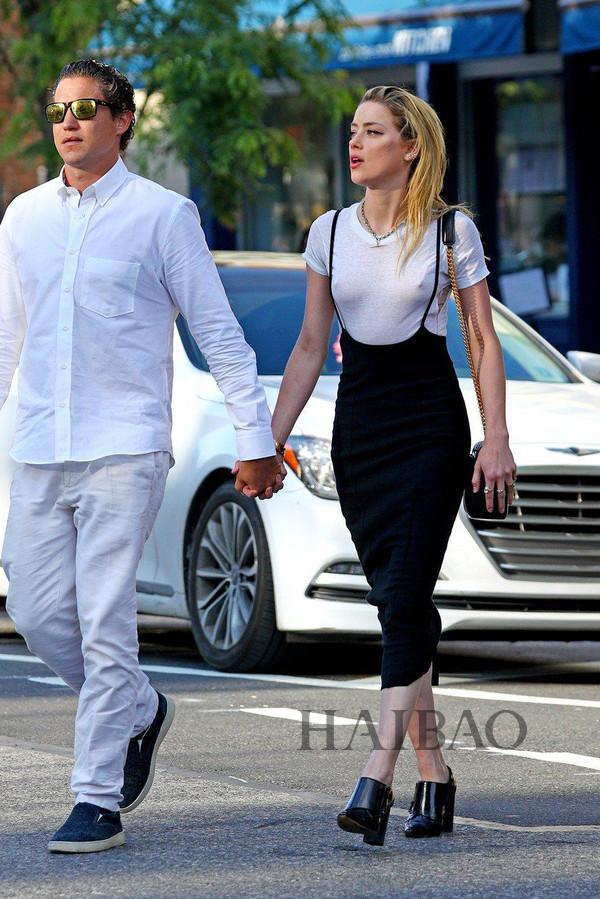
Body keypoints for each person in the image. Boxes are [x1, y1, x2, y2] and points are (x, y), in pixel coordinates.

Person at [0, 58, 282, 853]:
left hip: (125, 445)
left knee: (103, 616)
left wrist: (254, 438)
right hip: (38, 443)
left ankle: (96, 797)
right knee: (37, 612)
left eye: (87, 108)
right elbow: (6, 338)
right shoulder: (23, 217)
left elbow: (219, 333)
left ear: (122, 120)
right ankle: (139, 709)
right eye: (59, 110)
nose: (69, 122)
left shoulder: (164, 215)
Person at [269, 85, 516, 844]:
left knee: (405, 592)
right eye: (353, 131)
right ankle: (434, 772)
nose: (355, 143)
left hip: (430, 430)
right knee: (398, 604)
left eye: (372, 132)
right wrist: (265, 440)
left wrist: (496, 437)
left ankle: (377, 773)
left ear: (410, 146)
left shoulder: (449, 231)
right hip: (360, 433)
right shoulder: (328, 232)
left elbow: (483, 339)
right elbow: (310, 344)